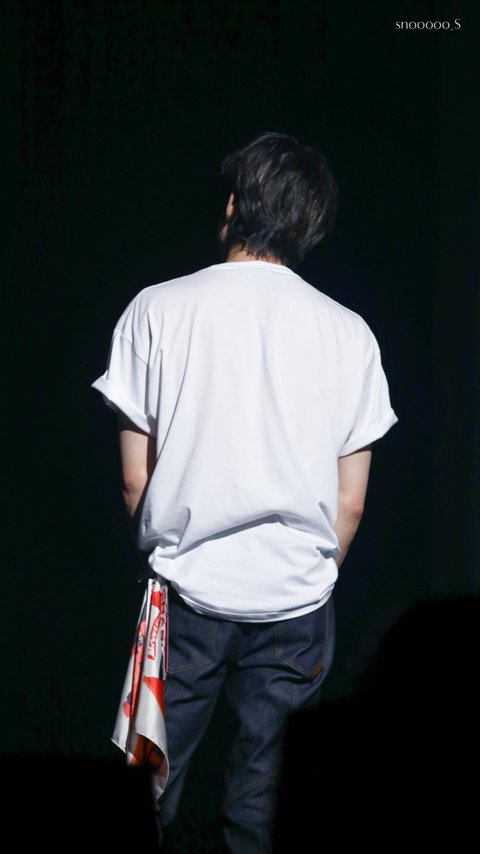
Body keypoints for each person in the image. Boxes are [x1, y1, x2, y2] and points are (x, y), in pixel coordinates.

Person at [92, 131, 398, 852]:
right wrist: (312, 574)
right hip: (298, 600)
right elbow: (351, 502)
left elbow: (136, 478)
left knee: (146, 789)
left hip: (183, 590)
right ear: (311, 223)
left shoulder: (156, 309)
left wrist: (165, 555)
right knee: (265, 808)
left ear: (232, 206)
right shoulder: (350, 334)